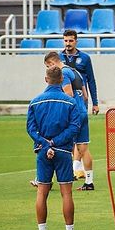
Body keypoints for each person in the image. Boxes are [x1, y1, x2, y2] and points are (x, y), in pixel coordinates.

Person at [26, 66, 83, 230]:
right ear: (61, 80)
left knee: (42, 192)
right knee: (66, 193)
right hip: (64, 151)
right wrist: (56, 142)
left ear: (46, 80)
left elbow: (31, 128)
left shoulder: (35, 102)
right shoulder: (70, 102)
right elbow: (74, 127)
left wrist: (45, 143)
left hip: (43, 151)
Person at [40, 52, 91, 189]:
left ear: (52, 63)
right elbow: (85, 95)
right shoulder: (75, 71)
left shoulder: (64, 73)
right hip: (82, 111)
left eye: (48, 66)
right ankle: (89, 182)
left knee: (58, 142)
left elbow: (69, 94)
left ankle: (45, 179)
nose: (49, 69)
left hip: (72, 113)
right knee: (83, 148)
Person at [60, 30, 98, 188]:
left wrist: (95, 102)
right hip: (72, 104)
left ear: (76, 41)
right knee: (79, 144)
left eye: (71, 41)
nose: (68, 43)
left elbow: (91, 81)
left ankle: (68, 173)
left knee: (65, 141)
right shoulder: (59, 57)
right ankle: (78, 172)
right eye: (66, 41)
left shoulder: (85, 58)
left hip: (77, 103)